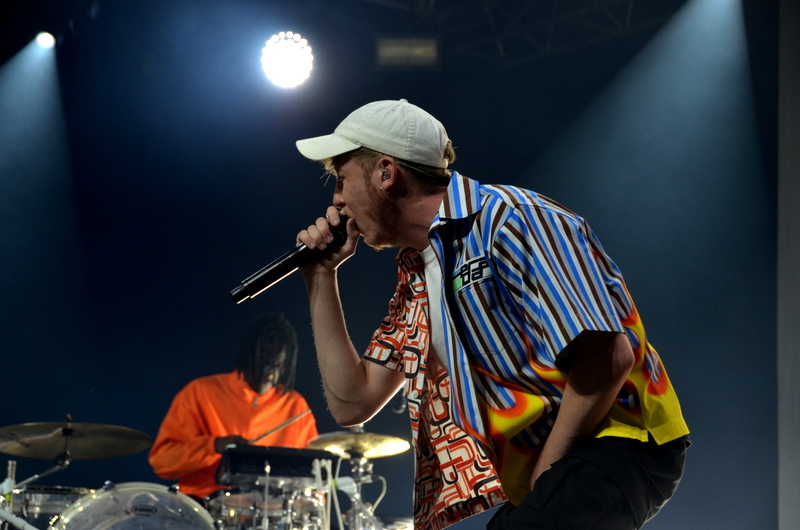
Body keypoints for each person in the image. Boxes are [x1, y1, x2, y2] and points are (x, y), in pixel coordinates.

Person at [292, 99, 690, 530]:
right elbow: (354, 401)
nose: (336, 200)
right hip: (560, 466)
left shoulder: (513, 219)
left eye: (342, 179)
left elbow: (608, 358)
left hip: (618, 440)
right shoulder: (420, 274)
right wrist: (320, 277)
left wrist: (546, 476)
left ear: (386, 173)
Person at [148, 313, 319, 500]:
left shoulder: (295, 406)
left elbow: (315, 476)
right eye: (260, 363)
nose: (267, 373)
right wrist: (213, 446)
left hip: (269, 514)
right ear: (247, 354)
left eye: (275, 365)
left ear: (286, 364)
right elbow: (161, 462)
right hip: (204, 507)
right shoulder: (200, 392)